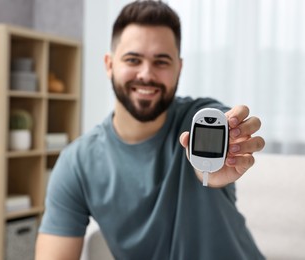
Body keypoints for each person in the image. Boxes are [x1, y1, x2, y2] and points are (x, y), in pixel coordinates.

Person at [36, 1, 266, 259]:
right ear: (109, 64)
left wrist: (229, 142)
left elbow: (221, 118)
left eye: (161, 61)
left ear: (178, 68)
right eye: (133, 59)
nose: (146, 74)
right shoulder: (77, 163)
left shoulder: (196, 120)